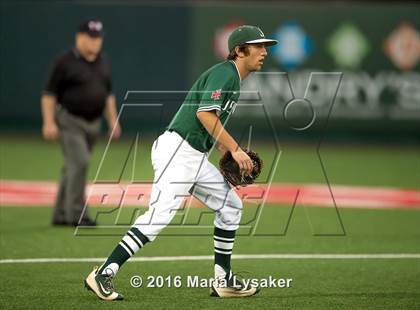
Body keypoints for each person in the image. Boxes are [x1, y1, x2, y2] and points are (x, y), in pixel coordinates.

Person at [84, 25, 277, 300]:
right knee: (160, 215)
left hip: (193, 156)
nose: (264, 51)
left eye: (264, 46)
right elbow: (205, 116)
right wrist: (236, 149)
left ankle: (223, 280)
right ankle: (104, 272)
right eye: (258, 46)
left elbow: (212, 124)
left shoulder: (232, 78)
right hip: (178, 152)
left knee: (231, 205)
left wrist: (225, 149)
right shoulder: (226, 74)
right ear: (239, 50)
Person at [41, 20, 121, 227]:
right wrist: (49, 122)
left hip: (93, 122)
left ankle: (60, 214)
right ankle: (77, 214)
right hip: (70, 120)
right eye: (91, 37)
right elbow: (49, 94)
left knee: (71, 168)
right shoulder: (65, 61)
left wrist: (113, 120)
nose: (96, 42)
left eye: (98, 37)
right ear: (79, 37)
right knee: (80, 162)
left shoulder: (103, 60)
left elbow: (108, 94)